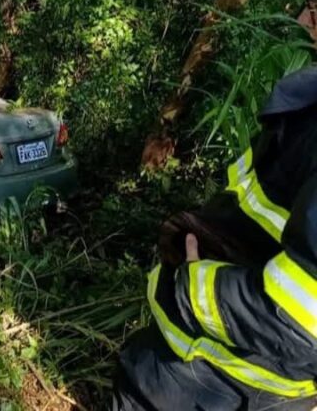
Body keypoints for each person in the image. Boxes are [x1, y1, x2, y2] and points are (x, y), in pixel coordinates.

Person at [113, 66, 317, 410]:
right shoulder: (305, 104)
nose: (307, 17)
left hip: (216, 385)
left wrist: (193, 286)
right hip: (186, 372)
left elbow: (301, 320)